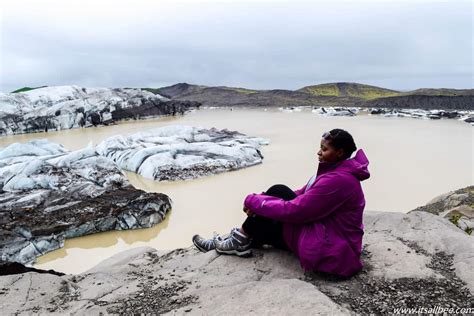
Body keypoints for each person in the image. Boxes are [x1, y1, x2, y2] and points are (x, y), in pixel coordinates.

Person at [192, 128, 370, 277]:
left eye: (324, 149)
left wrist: (254, 202)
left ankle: (237, 241)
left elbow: (297, 210)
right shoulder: (336, 171)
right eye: (320, 148)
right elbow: (301, 194)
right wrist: (261, 199)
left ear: (339, 153)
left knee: (272, 209)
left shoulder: (338, 180)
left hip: (331, 250)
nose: (318, 152)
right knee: (278, 192)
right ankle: (240, 239)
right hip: (326, 234)